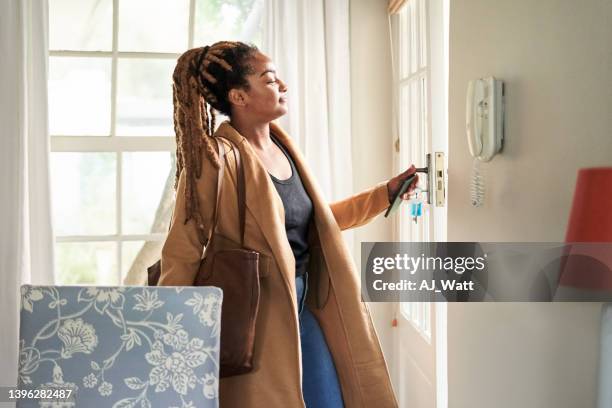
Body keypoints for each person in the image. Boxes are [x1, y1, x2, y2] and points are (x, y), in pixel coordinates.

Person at [158, 41, 418, 408]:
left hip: (306, 301)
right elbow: (182, 250)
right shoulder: (216, 159)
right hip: (257, 315)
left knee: (331, 399)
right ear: (238, 96)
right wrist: (169, 332)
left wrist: (383, 195)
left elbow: (316, 221)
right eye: (269, 79)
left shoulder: (283, 146)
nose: (283, 86)